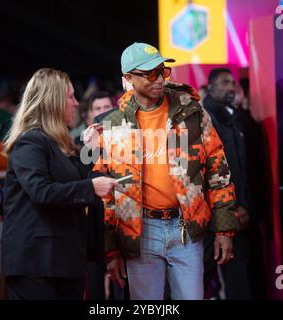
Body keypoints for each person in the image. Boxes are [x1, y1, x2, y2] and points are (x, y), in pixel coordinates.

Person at [93, 42, 239, 300]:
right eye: (150, 74)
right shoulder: (112, 125)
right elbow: (105, 194)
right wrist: (110, 250)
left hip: (186, 228)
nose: (159, 78)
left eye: (163, 71)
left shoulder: (192, 113)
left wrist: (224, 230)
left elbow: (219, 170)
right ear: (128, 79)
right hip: (139, 232)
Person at [1, 68, 117, 300]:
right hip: (36, 263)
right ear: (53, 102)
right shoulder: (30, 141)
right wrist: (91, 188)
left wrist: (90, 151)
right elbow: (41, 191)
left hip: (64, 260)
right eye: (71, 97)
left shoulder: (58, 142)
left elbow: (76, 178)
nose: (76, 103)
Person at [202, 68, 266, 299]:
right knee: (204, 278)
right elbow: (213, 172)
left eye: (233, 83)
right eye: (224, 83)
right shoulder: (205, 118)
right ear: (210, 87)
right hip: (218, 216)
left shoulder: (236, 117)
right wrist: (232, 208)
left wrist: (247, 206)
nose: (231, 87)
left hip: (241, 211)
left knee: (242, 274)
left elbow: (243, 170)